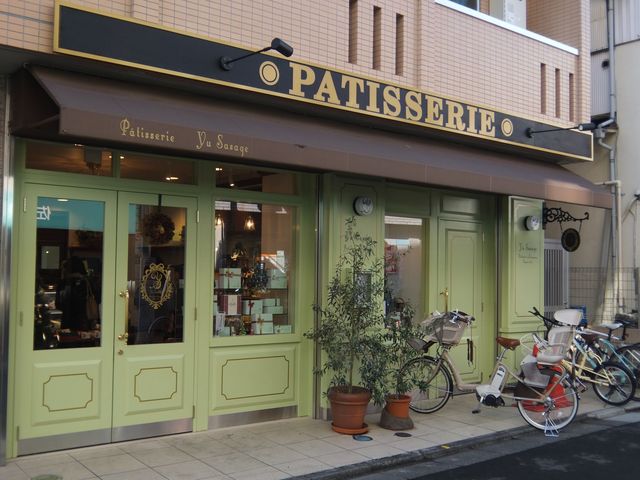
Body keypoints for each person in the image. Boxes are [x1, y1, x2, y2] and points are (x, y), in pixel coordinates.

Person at [56, 256, 92, 331]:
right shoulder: (87, 283)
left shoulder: (63, 283)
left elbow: (58, 304)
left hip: (67, 322)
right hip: (84, 322)